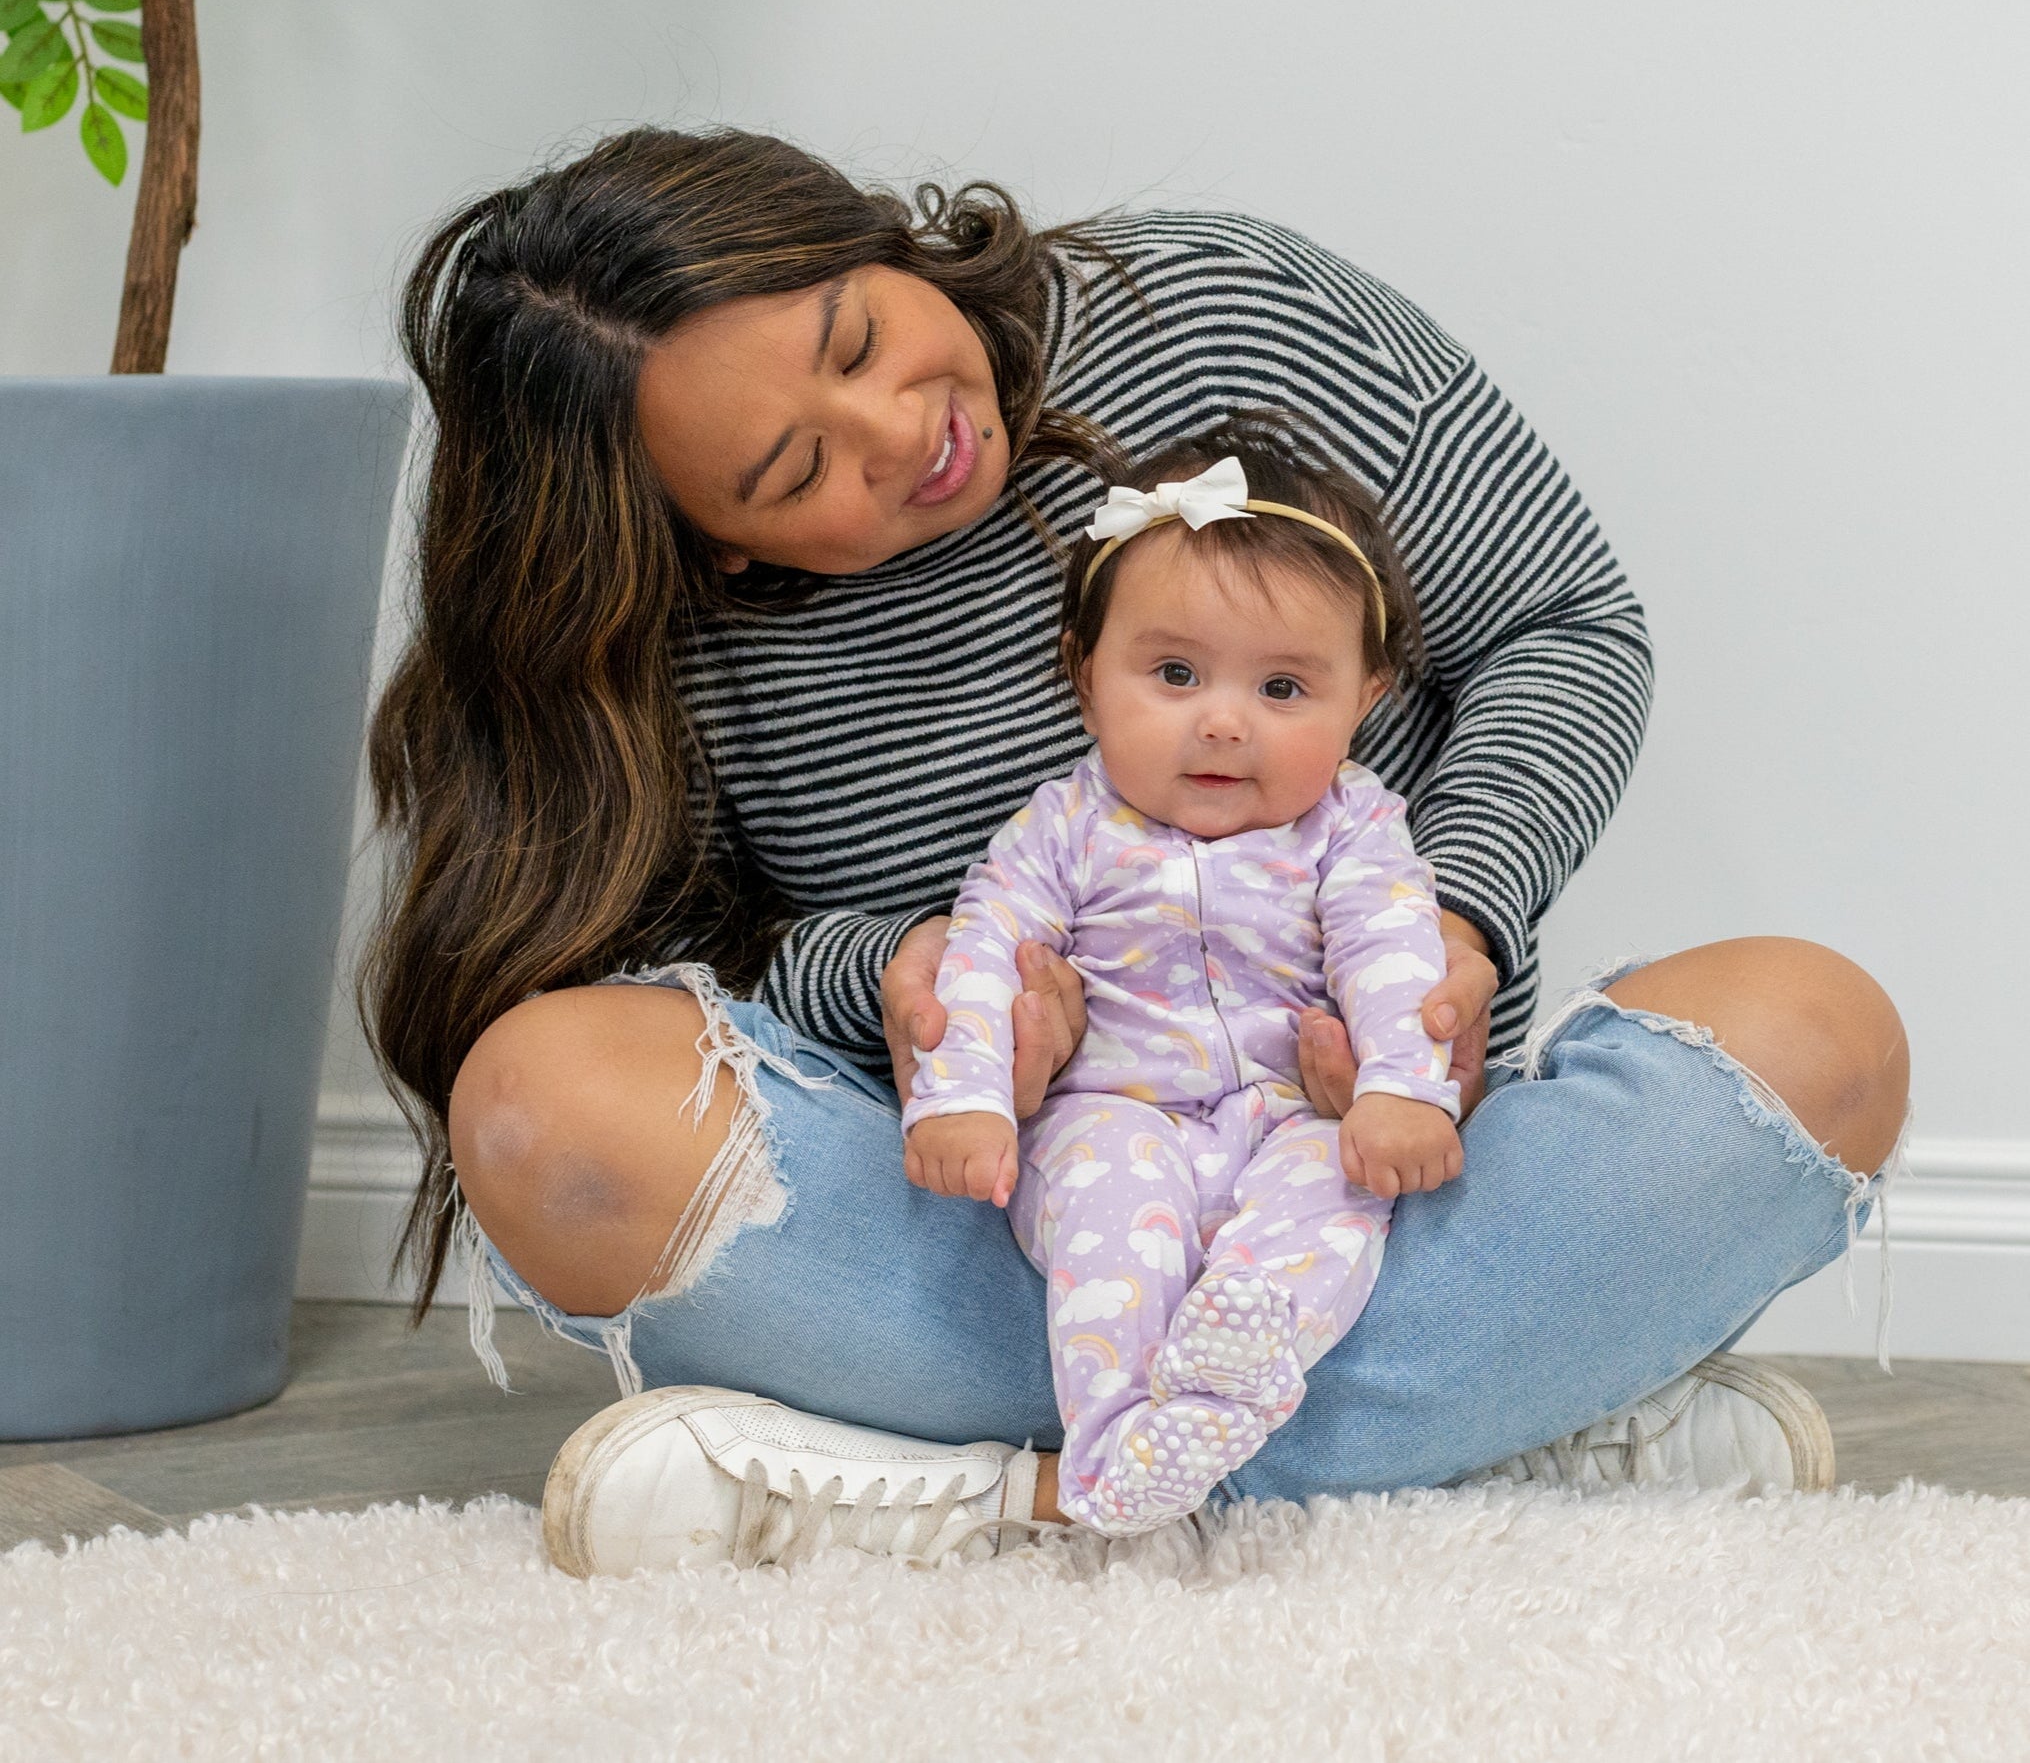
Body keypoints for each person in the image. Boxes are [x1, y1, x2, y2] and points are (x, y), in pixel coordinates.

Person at [365, 126, 1909, 1577]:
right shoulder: (669, 643)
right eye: (794, 474)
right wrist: (894, 979)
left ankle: (988, 1487)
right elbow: (693, 945)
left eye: (860, 336)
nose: (908, 431)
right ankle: (1504, 1419)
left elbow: (1560, 626)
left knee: (1817, 1039)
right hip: (1002, 1212)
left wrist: (1449, 929)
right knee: (540, 1108)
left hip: (1379, 1161)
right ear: (712, 541)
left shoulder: (1216, 311)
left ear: (874, 236)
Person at [905, 428, 1459, 1533]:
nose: (1220, 718)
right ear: (1083, 677)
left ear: (1366, 699)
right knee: (1110, 1219)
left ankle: (1220, 1385)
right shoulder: (1062, 826)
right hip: (1114, 1106)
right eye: (1172, 673)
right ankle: (1113, 1447)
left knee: (1338, 1196)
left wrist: (1402, 1086)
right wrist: (962, 1094)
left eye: (1284, 686)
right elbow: (983, 950)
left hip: (1289, 1109)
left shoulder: (1352, 830)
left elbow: (1393, 954)